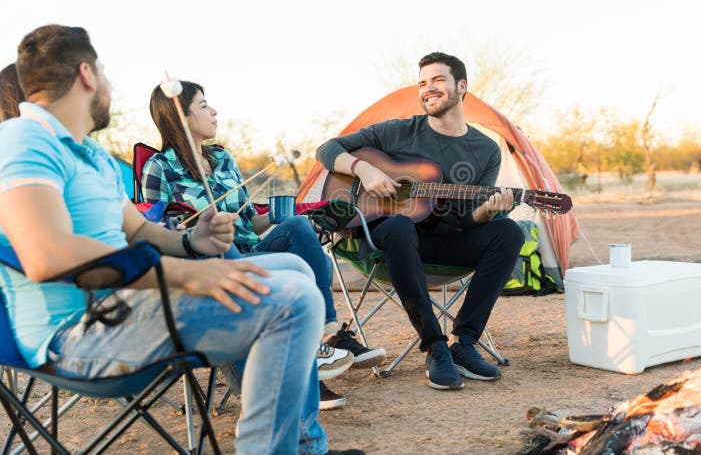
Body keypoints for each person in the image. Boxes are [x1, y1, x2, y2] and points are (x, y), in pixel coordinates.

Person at [0, 24, 361, 455]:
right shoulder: (22, 139)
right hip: (78, 337)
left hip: (125, 308)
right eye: (105, 72)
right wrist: (189, 276)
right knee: (293, 301)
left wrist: (194, 242)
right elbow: (47, 255)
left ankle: (302, 446)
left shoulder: (88, 151)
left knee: (295, 269)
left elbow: (138, 229)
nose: (110, 85)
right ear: (86, 75)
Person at [142, 81, 386, 409]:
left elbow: (248, 221)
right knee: (255, 256)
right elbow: (158, 230)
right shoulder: (159, 168)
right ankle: (308, 367)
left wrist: (276, 214)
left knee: (298, 225)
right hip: (210, 262)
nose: (214, 111)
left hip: (250, 250)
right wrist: (198, 227)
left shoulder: (222, 158)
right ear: (180, 117)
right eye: (203, 105)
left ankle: (326, 332)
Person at [316, 52, 525, 390]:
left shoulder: (486, 149)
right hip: (390, 244)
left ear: (461, 86)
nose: (428, 88)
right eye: (422, 83)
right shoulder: (399, 132)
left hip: (446, 244)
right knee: (400, 226)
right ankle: (435, 346)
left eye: (437, 80)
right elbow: (327, 149)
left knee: (508, 231)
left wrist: (487, 211)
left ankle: (465, 343)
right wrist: (364, 169)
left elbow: (468, 219)